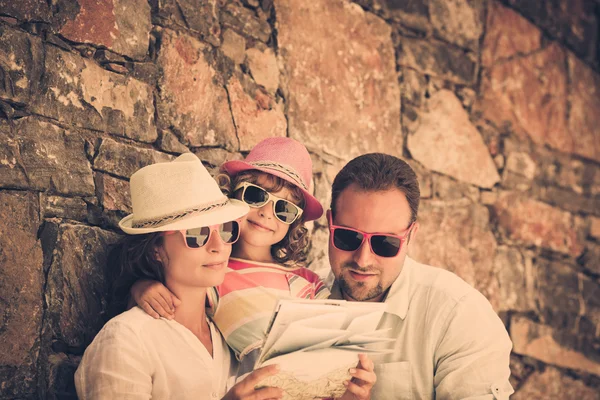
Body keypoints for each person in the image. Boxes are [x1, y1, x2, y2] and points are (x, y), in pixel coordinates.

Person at [129, 138, 376, 399]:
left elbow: (332, 349)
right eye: (256, 196)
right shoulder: (214, 273)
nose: (267, 213)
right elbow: (172, 311)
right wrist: (141, 286)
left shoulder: (309, 281)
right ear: (232, 195)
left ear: (293, 223)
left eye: (285, 209)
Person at [74, 153, 284, 400]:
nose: (218, 246)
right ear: (156, 249)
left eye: (226, 229)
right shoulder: (126, 339)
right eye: (197, 233)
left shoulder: (231, 336)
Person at [327, 153, 514, 399]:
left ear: (411, 236)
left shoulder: (458, 315)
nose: (363, 260)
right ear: (329, 223)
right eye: (348, 237)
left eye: (385, 243)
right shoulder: (299, 295)